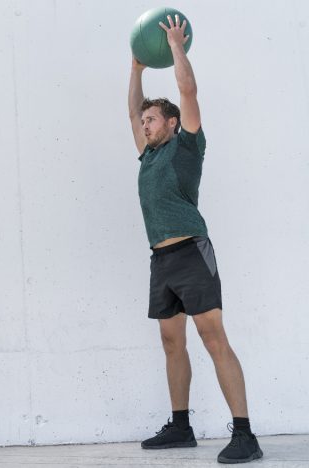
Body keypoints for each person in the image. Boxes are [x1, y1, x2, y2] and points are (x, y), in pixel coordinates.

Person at [127, 14, 263, 464]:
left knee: (213, 337)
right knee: (171, 342)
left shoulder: (187, 145)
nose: (144, 124)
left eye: (151, 119)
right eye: (143, 120)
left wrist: (175, 47)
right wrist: (136, 68)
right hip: (160, 260)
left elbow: (188, 92)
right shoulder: (147, 156)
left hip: (190, 251)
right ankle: (181, 426)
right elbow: (130, 110)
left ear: (170, 122)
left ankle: (244, 434)